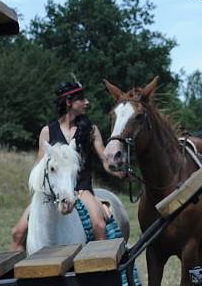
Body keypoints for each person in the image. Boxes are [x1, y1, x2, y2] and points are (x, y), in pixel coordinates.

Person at [11, 82, 125, 251]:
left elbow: (104, 160)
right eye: (81, 99)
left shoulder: (90, 130)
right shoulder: (47, 131)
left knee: (99, 225)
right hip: (53, 191)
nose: (87, 102)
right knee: (18, 233)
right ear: (69, 102)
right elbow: (40, 167)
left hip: (81, 189)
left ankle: (102, 271)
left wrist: (119, 172)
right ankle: (19, 274)